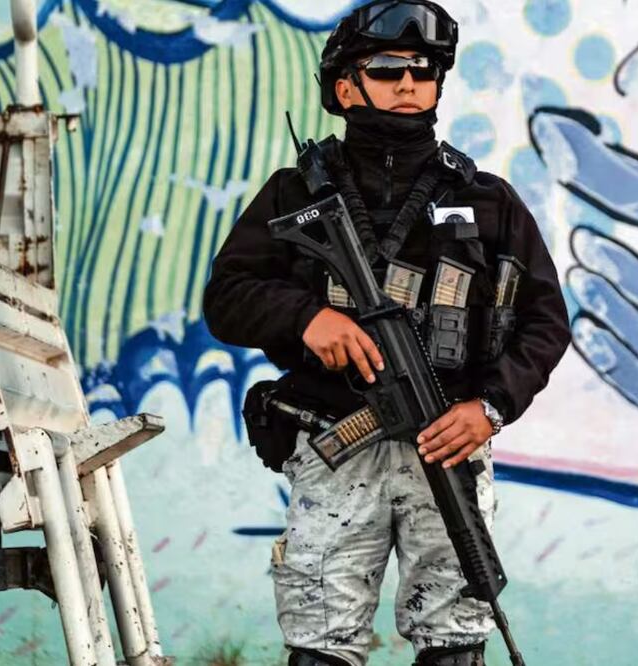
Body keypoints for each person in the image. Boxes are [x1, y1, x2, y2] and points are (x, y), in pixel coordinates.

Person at [203, 2, 570, 664]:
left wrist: (489, 408)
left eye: (424, 71)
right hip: (338, 439)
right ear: (345, 88)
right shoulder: (296, 195)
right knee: (321, 634)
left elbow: (546, 323)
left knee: (457, 631)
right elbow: (227, 297)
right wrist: (306, 318)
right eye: (388, 69)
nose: (409, 83)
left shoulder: (488, 201)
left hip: (449, 443)